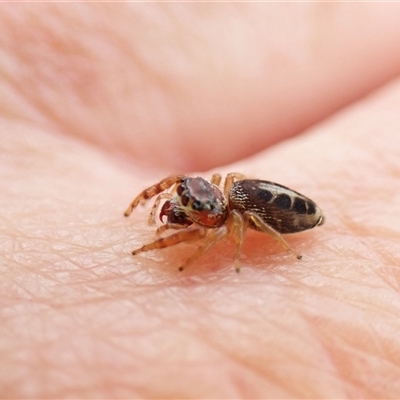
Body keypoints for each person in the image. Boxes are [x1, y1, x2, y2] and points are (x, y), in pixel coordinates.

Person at [2, 3, 400, 397]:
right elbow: (185, 189)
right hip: (247, 195)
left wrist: (213, 255)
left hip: (280, 212)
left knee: (241, 218)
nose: (182, 201)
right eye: (185, 199)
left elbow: (220, 236)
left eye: (190, 204)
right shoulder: (199, 191)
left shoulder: (224, 221)